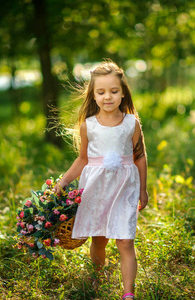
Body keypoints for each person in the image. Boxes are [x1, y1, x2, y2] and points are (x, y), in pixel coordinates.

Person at [54, 60, 148, 300]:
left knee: (125, 241)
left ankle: (128, 293)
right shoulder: (89, 126)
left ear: (123, 93)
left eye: (114, 91)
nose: (108, 97)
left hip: (125, 188)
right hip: (97, 188)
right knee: (99, 239)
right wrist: (63, 182)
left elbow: (139, 156)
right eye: (101, 92)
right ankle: (96, 281)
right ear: (93, 96)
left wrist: (143, 190)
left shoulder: (131, 123)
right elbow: (82, 159)